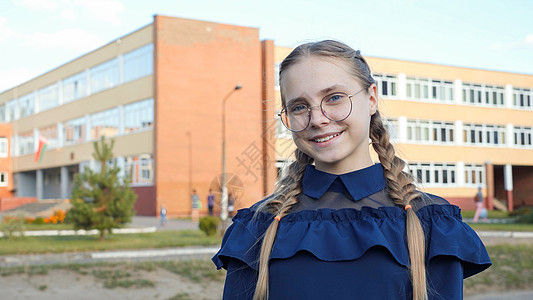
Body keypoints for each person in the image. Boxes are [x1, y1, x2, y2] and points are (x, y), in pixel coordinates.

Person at [212, 40, 491, 300]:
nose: (318, 119)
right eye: (299, 106)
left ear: (371, 99)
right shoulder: (258, 228)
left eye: (334, 98)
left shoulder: (431, 225)